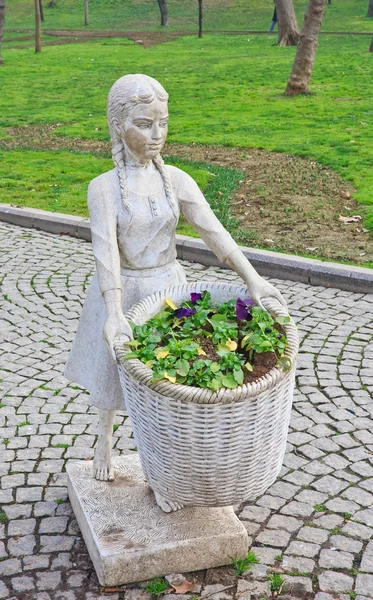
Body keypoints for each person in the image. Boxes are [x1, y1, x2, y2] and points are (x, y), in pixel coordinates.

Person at [64, 74, 286, 511]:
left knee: (166, 386)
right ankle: (104, 441)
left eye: (163, 123)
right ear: (118, 126)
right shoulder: (104, 189)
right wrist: (113, 311)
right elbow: (106, 253)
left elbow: (215, 233)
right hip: (125, 288)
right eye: (145, 124)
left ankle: (164, 470)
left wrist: (251, 277)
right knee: (112, 376)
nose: (157, 135)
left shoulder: (177, 180)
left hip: (167, 288)